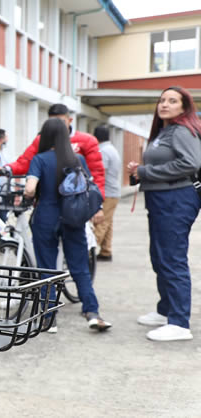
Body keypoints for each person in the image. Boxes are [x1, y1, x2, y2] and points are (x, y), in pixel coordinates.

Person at [24, 118, 111, 333]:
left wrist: (27, 194)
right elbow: (88, 188)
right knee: (80, 267)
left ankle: (49, 318)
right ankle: (92, 313)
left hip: (45, 218)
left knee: (47, 268)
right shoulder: (78, 159)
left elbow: (30, 189)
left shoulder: (40, 159)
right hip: (73, 219)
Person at [128, 86, 201, 342]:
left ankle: (179, 322)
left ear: (184, 107)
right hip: (160, 199)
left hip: (176, 199)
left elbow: (191, 163)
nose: (165, 104)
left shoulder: (182, 130)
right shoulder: (165, 131)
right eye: (162, 100)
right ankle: (166, 309)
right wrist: (140, 170)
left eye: (172, 101)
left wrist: (146, 172)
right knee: (160, 257)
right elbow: (166, 163)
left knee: (172, 258)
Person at [0, 103, 105, 224]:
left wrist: (98, 206)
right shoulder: (41, 141)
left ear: (70, 120)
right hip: (47, 202)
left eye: (61, 121)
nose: (57, 126)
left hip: (75, 204)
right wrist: (7, 169)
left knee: (83, 238)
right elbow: (25, 161)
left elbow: (96, 175)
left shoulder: (86, 141)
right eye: (52, 122)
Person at [92, 126, 121, 262]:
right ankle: (106, 251)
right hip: (114, 191)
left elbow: (100, 172)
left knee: (101, 223)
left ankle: (88, 253)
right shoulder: (112, 149)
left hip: (107, 192)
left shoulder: (102, 152)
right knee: (108, 223)